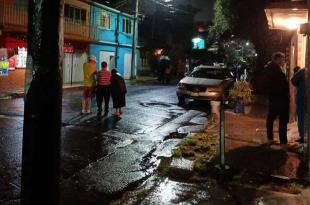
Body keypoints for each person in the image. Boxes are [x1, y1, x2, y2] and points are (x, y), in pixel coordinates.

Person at [264, 52, 290, 149]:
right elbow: (279, 85)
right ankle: (283, 143)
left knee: (271, 118)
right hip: (279, 99)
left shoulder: (270, 68)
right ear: (277, 59)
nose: (283, 61)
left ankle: (270, 138)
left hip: (274, 98)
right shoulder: (274, 70)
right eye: (282, 59)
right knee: (282, 121)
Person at [291, 66, 305, 143]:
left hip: (302, 99)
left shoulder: (303, 71)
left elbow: (293, 80)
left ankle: (303, 137)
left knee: (302, 118)